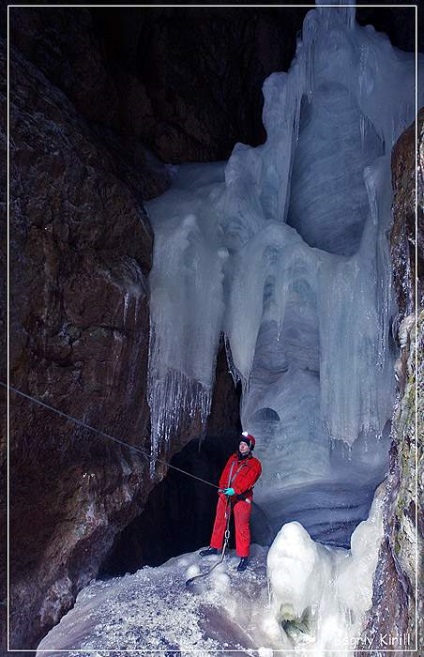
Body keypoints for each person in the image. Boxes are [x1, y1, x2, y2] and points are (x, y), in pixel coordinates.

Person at [199, 431, 262, 572]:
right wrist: (222, 488)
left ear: (250, 447)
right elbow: (225, 475)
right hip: (226, 493)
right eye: (240, 444)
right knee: (219, 520)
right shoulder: (233, 459)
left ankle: (244, 556)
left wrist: (236, 490)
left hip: (242, 496)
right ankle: (214, 546)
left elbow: (250, 479)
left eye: (245, 445)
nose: (242, 447)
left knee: (241, 525)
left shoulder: (255, 464)